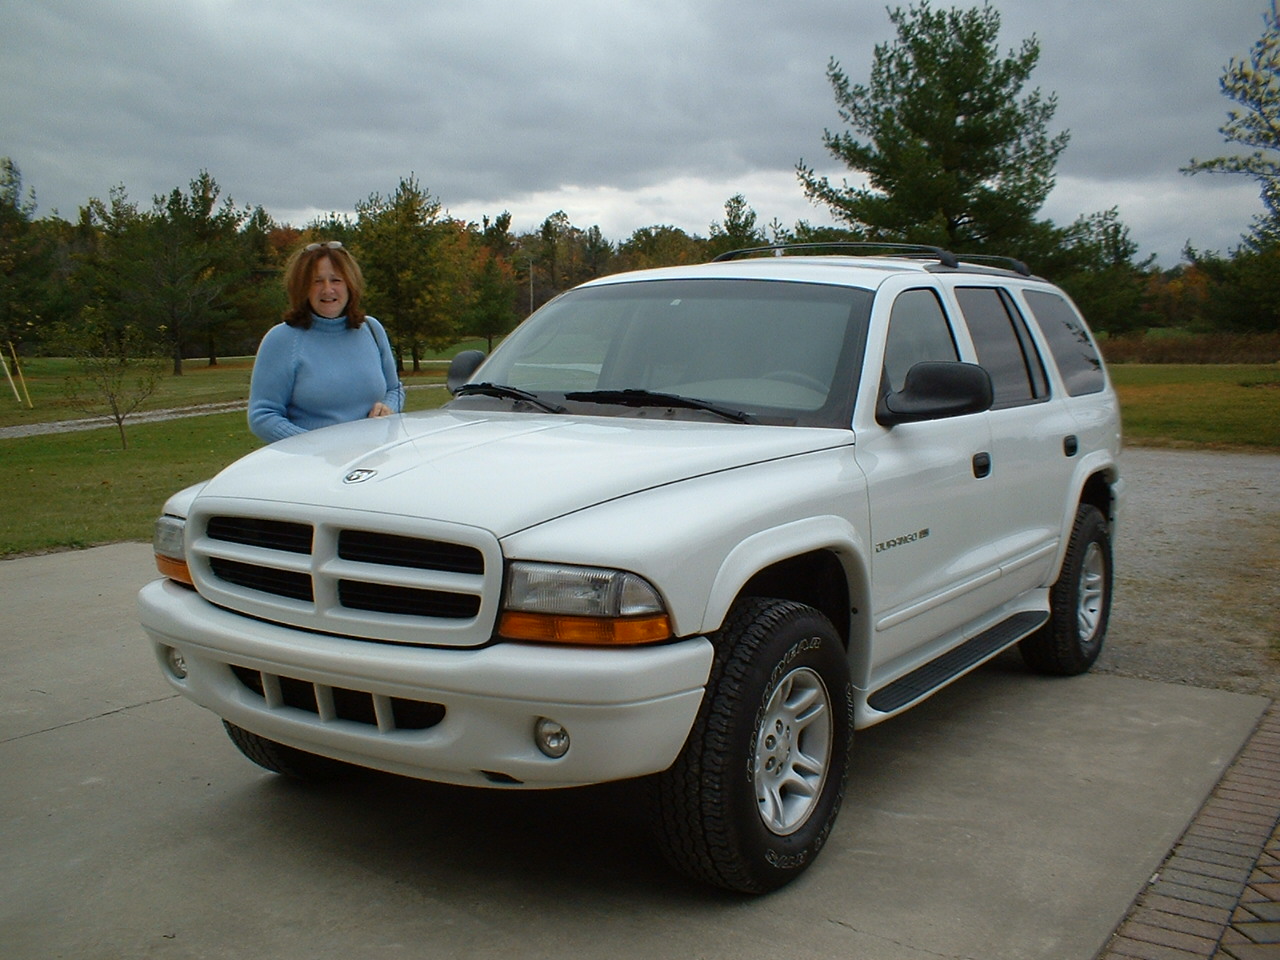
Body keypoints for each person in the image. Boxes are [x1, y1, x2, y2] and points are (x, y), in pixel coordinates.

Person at [248, 241, 404, 443]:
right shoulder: (282, 340)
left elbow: (394, 389)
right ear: (302, 288)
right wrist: (319, 446)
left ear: (350, 284)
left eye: (336, 280)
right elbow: (263, 415)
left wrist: (388, 407)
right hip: (314, 466)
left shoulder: (372, 329)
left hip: (373, 460)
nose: (328, 289)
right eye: (317, 281)